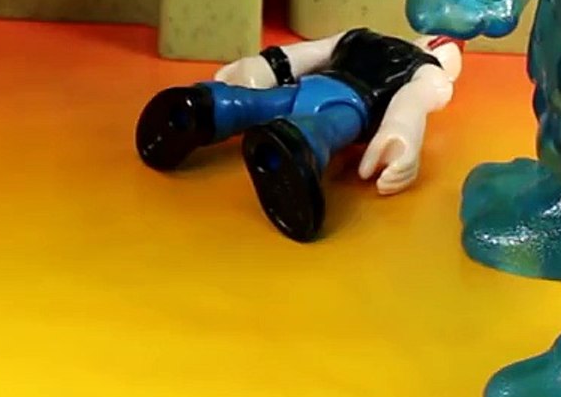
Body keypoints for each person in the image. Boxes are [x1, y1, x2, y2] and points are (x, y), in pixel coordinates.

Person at [134, 29, 460, 241]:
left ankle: (209, 106)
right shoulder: (432, 74)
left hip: (311, 86)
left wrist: (265, 65)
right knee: (324, 129)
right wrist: (400, 135)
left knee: (256, 103)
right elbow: (411, 102)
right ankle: (296, 145)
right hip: (351, 107)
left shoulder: (362, 36)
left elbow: (309, 53)